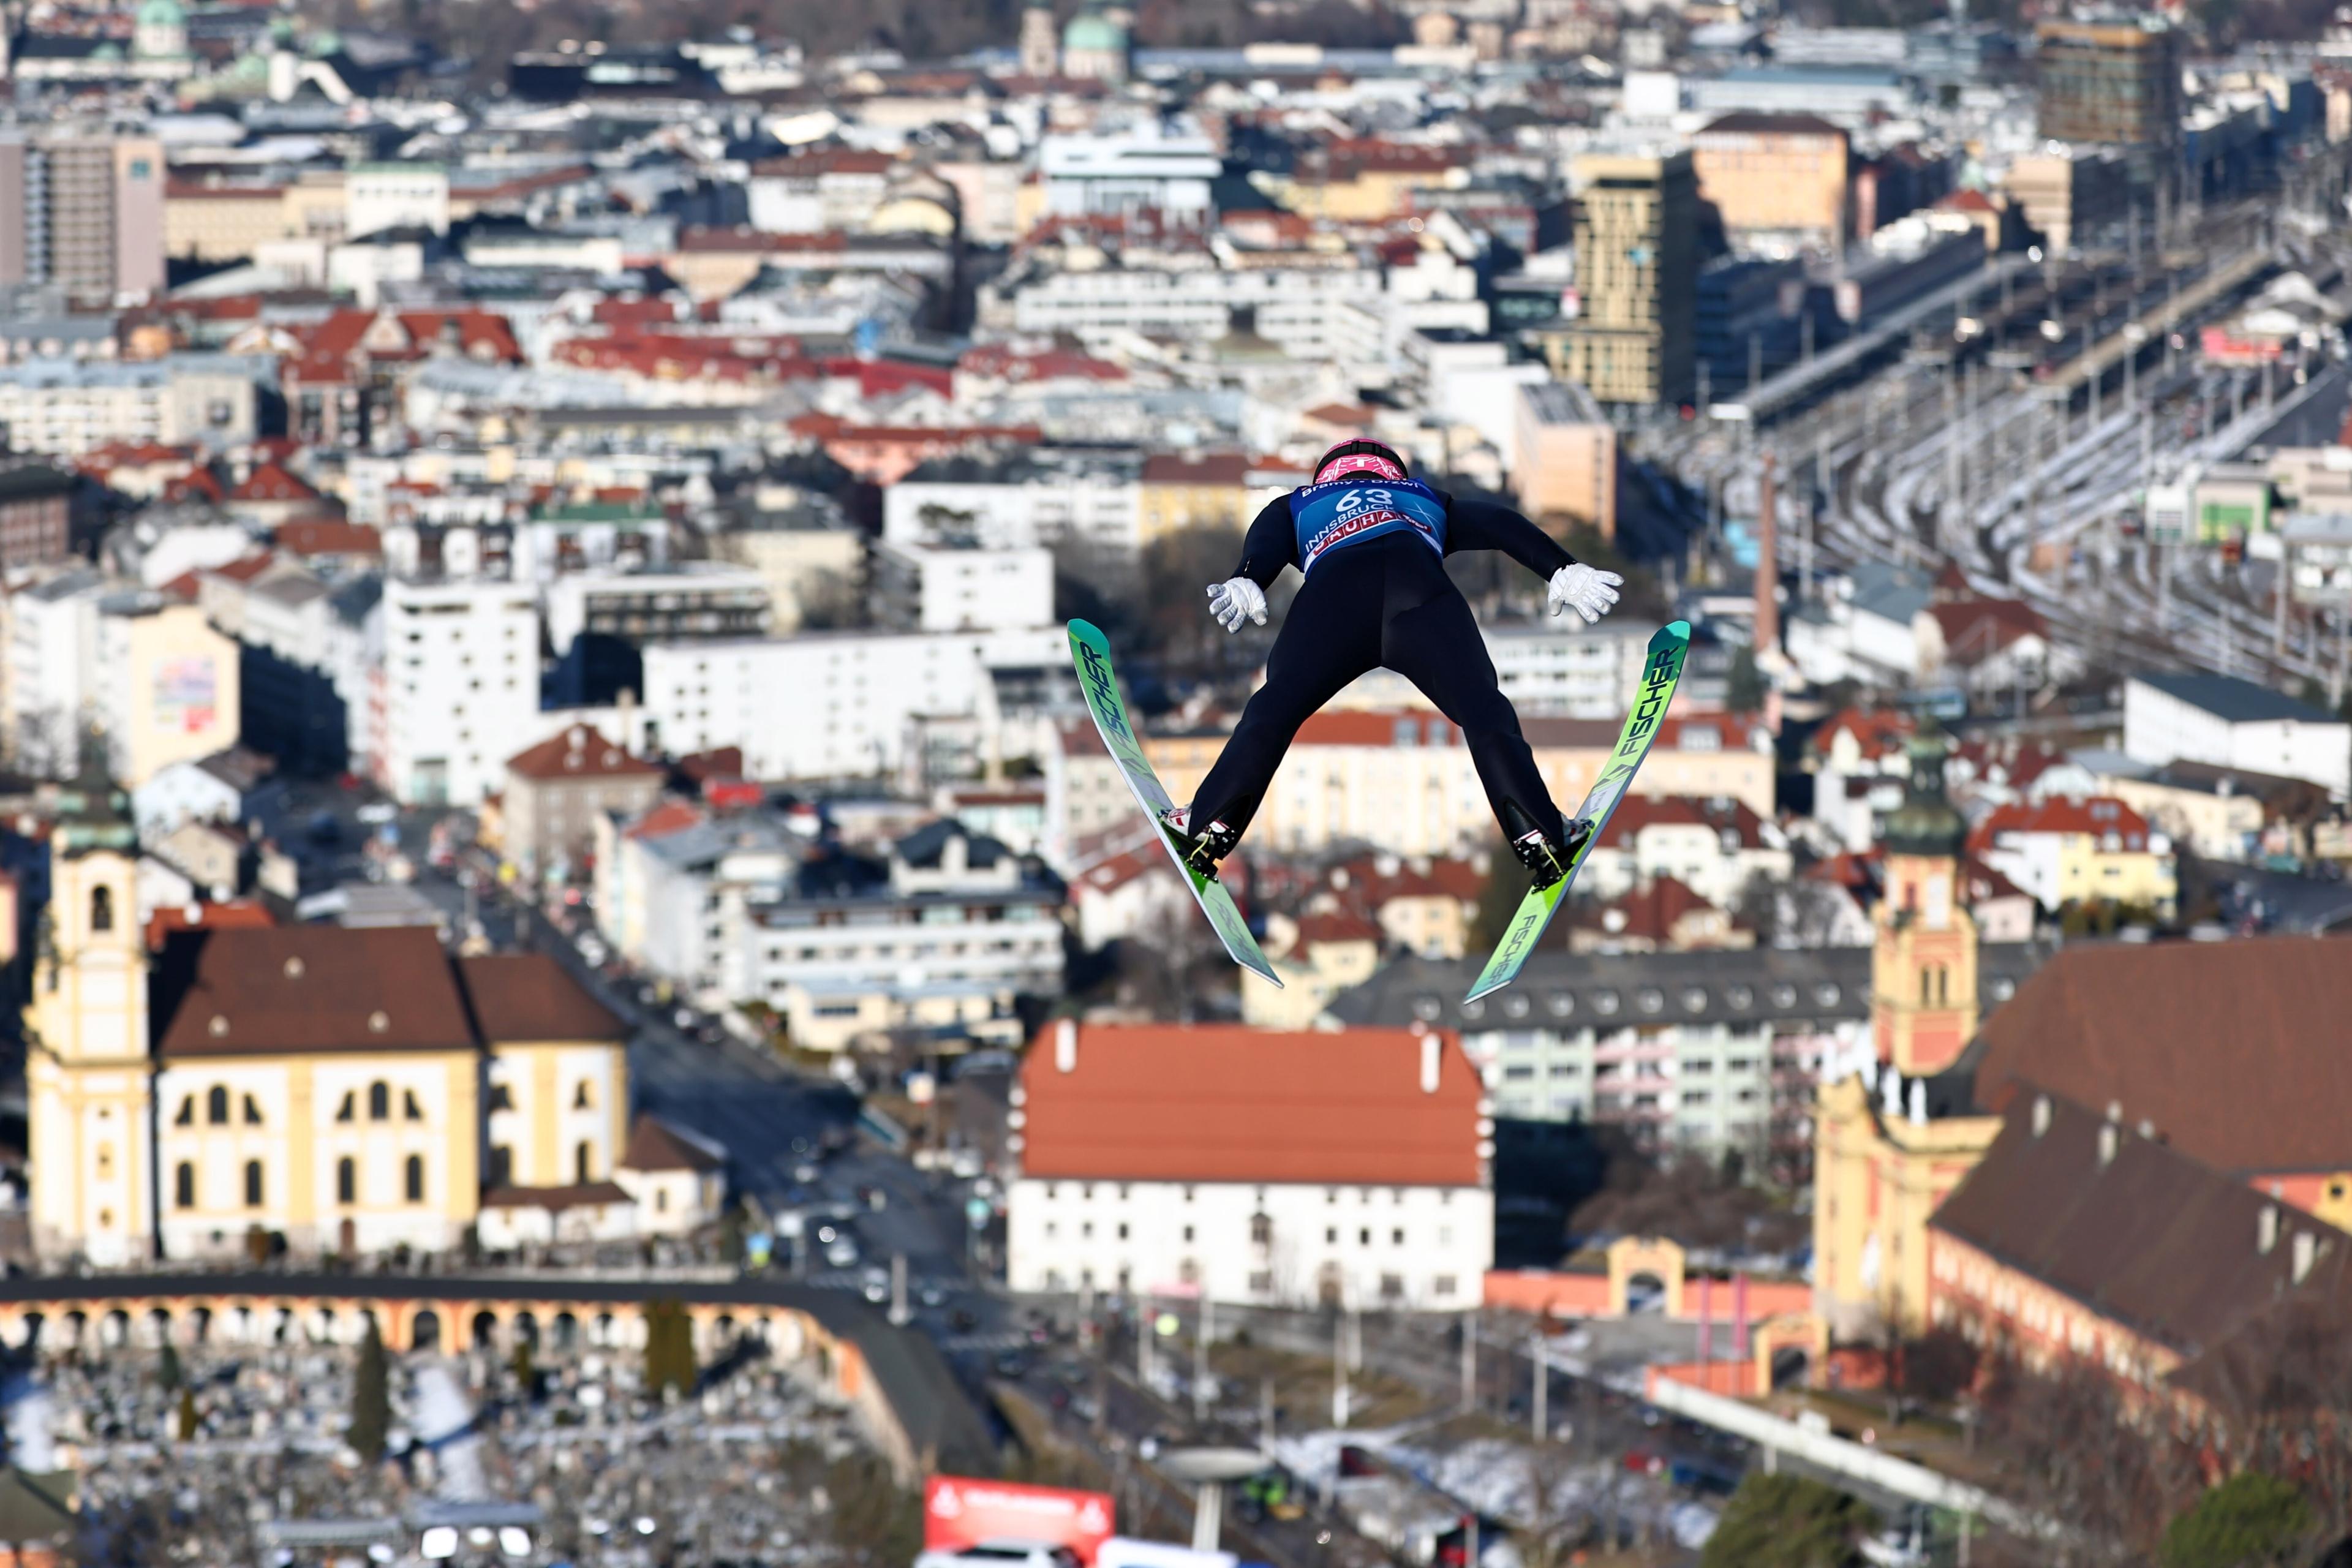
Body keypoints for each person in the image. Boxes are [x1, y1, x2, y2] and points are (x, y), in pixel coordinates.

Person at [1167, 437, 1624, 889]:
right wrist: (1561, 567)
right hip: (1421, 598)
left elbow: (1267, 537)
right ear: (1394, 474)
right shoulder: (1425, 496)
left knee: (1274, 710)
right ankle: (1539, 832)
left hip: (1334, 602)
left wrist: (1250, 576)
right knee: (1485, 711)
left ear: (1326, 474)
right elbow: (1499, 522)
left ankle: (1209, 823)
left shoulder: (1298, 502)